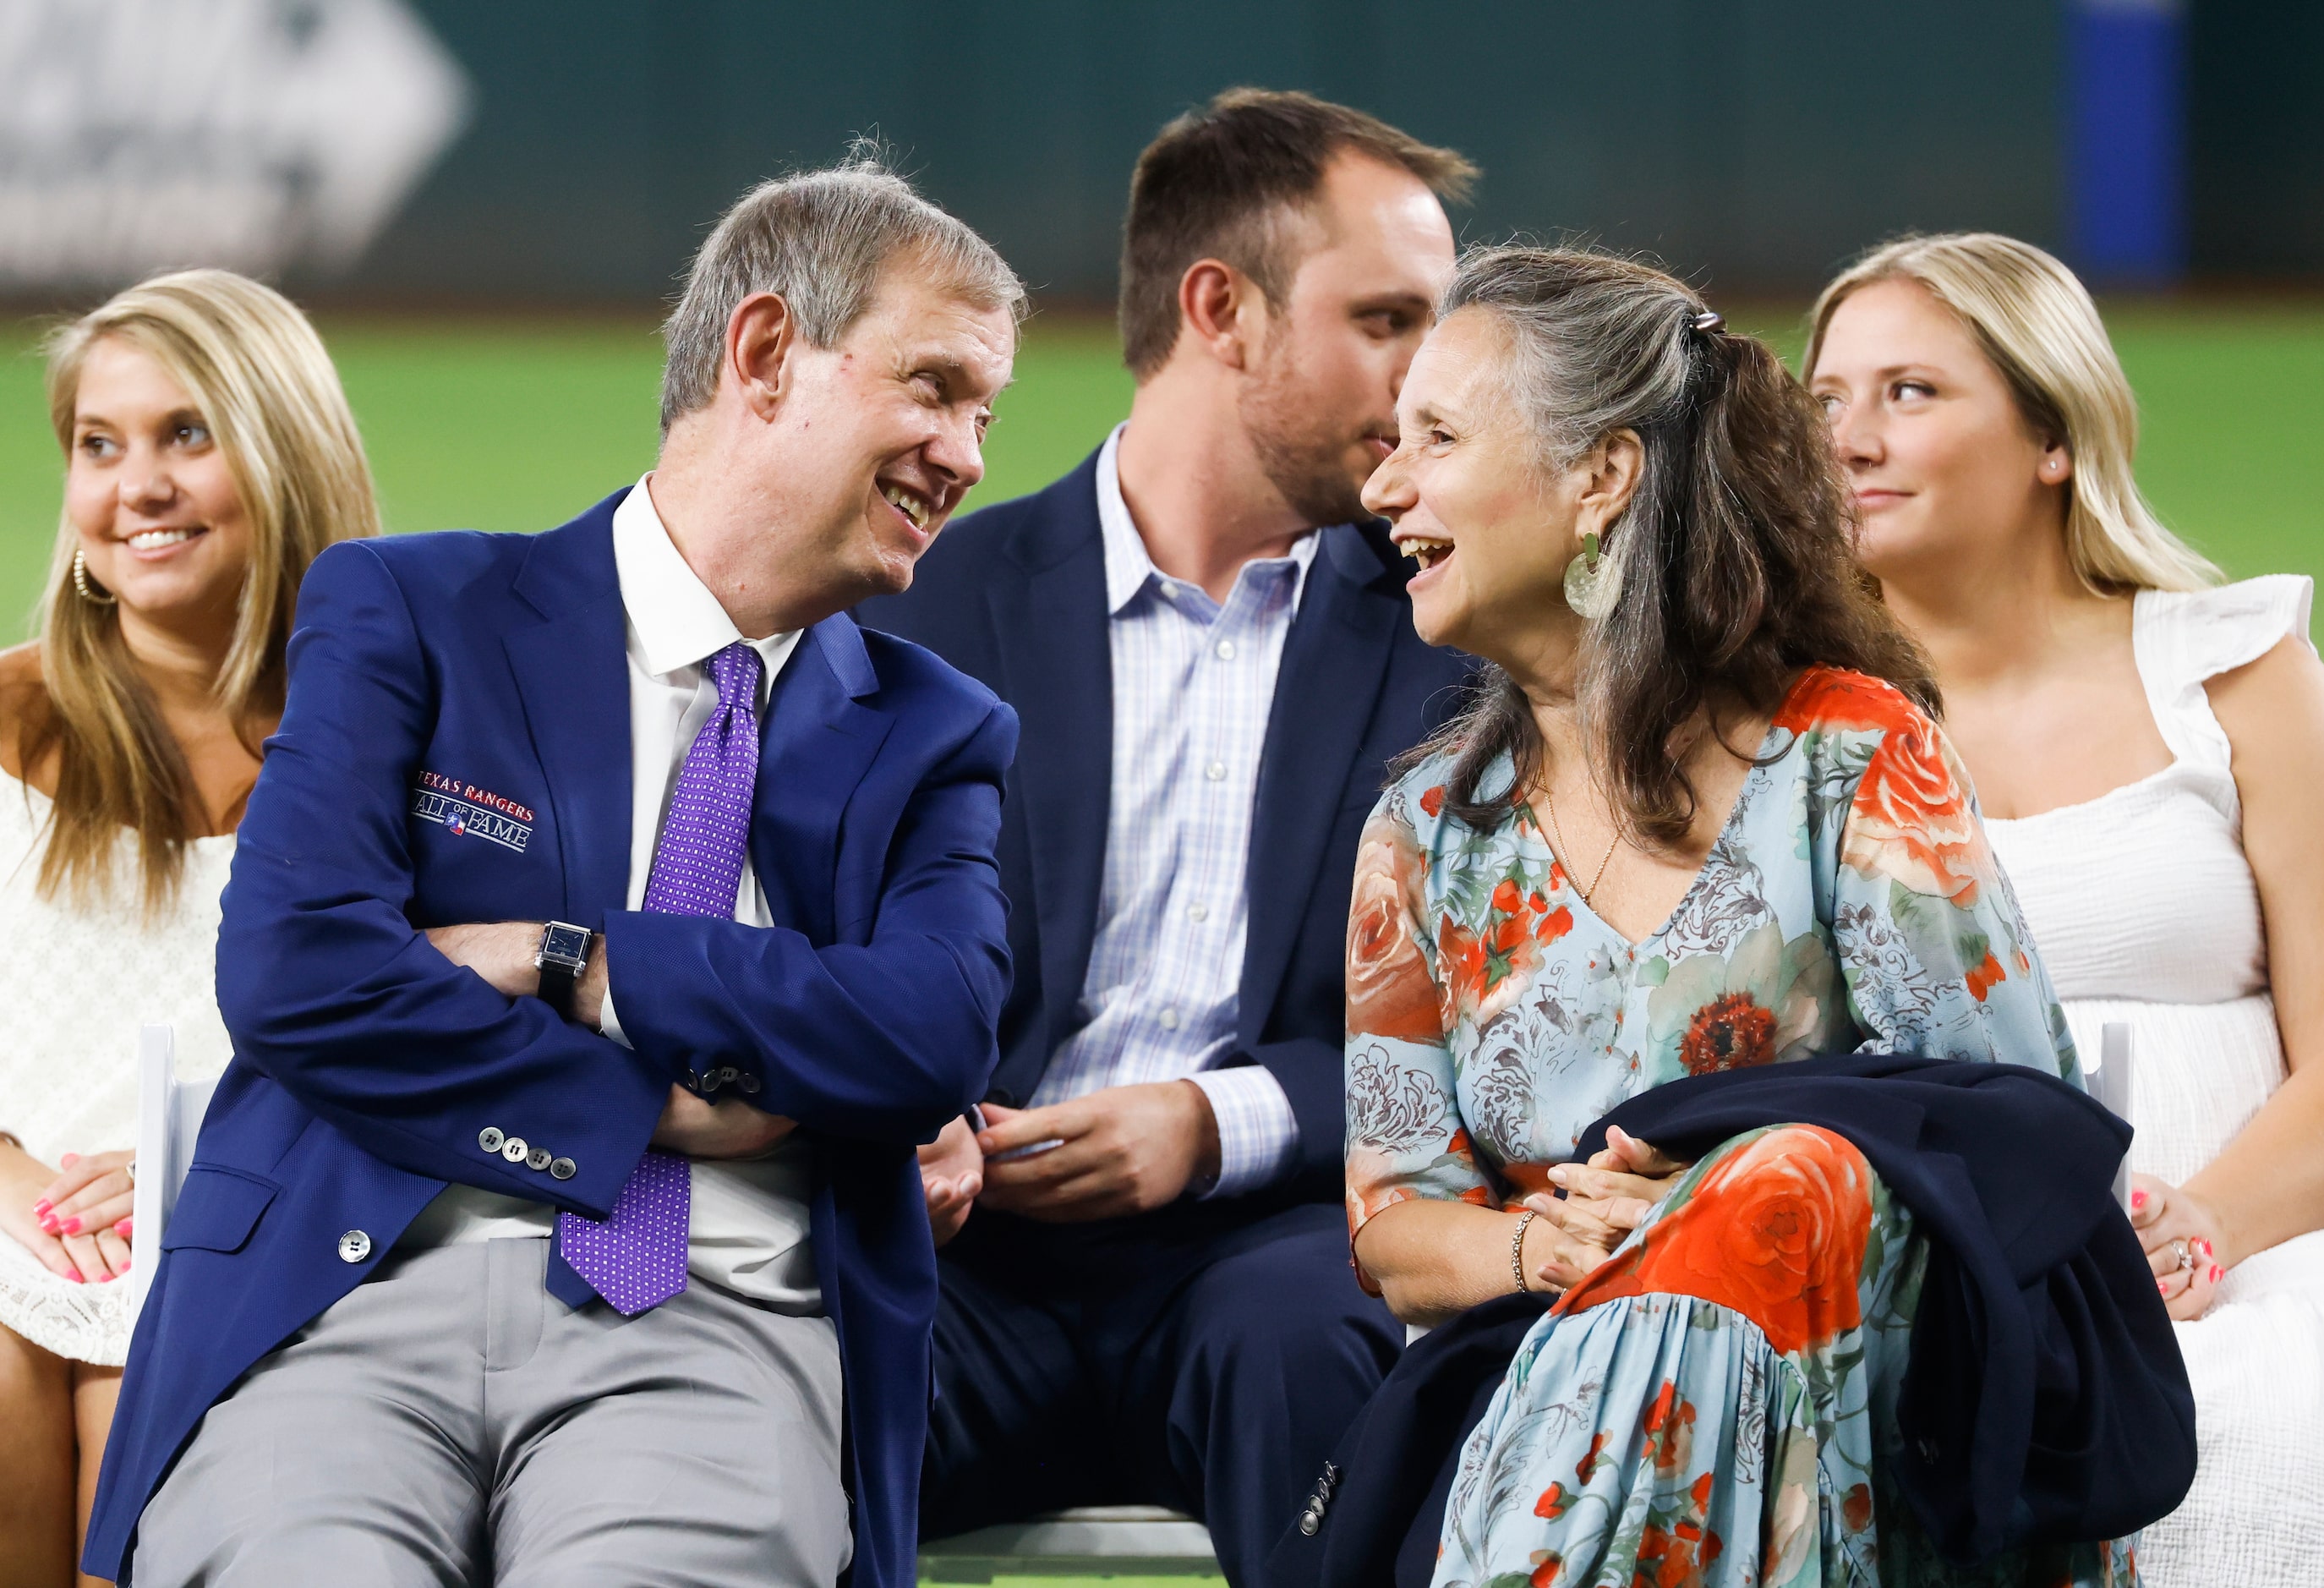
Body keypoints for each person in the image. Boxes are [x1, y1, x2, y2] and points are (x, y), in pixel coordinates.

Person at [82, 154, 1024, 1588]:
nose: (968, 454)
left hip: (715, 1329)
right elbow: (297, 976)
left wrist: (572, 960)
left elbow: (927, 1034)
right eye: (937, 388)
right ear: (763, 352)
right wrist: (648, 1101)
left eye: (983, 411)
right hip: (342, 1297)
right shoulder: (410, 607)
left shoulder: (938, 731)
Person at [1341, 245, 2135, 1584]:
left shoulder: (1850, 759)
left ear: (1601, 477)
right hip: (1537, 1377)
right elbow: (1394, 1225)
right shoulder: (1422, 837)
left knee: (1783, 1180)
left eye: (1434, 435)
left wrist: (1707, 1197)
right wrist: (1555, 1242)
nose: (1381, 486)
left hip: (1880, 1419)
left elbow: (2004, 1123)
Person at [861, 90, 1477, 1582]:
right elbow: (806, 950)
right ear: (1222, 310)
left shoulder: (1460, 636)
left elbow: (1492, 1026)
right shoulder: (919, 605)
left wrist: (1216, 1122)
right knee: (776, 1360)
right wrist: (906, 1118)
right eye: (1388, 319)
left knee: (1312, 1351)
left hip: (1270, 1249)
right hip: (962, 1255)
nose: (1431, 378)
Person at [1807, 231, 2324, 1588]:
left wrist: (2200, 1229)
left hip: (2256, 1252)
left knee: (2227, 1446)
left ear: (2051, 437)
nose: (1849, 437)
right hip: (1920, 1266)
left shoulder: (2236, 673)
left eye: (1908, 393)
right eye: (1824, 399)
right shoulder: (1781, 712)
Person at [0, 269, 378, 1587]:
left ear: (287, 452)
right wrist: (21, 1188)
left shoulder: (390, 735)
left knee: (145, 1371)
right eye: (98, 446)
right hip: (15, 1203)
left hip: (254, 1209)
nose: (134, 487)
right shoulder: (3, 716)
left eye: (186, 435)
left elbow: (429, 1028)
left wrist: (189, 1167)